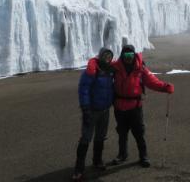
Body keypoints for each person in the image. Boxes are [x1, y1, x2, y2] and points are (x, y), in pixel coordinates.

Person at [109, 44, 174, 168]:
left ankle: (143, 156)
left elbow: (152, 81)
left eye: (131, 55)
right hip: (119, 106)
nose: (128, 57)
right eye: (126, 55)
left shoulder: (140, 68)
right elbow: (100, 64)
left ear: (134, 55)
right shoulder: (115, 67)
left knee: (139, 133)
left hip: (135, 107)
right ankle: (122, 155)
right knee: (122, 133)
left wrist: (165, 87)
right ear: (122, 55)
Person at [72, 47, 115, 181]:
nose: (107, 59)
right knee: (86, 138)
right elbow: (83, 89)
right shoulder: (92, 70)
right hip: (92, 110)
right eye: (105, 56)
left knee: (100, 137)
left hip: (105, 110)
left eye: (109, 57)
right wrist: (85, 108)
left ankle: (97, 161)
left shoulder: (110, 71)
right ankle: (79, 169)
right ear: (100, 56)